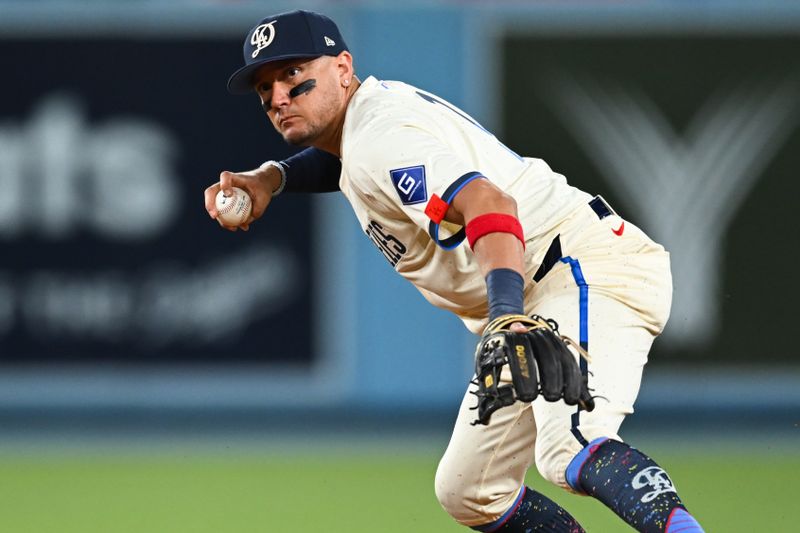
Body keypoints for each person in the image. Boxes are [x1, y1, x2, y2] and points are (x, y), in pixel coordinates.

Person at [204, 9, 704, 533]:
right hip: (537, 287)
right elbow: (343, 160)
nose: (279, 95)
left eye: (292, 74)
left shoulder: (381, 134)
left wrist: (507, 318)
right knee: (470, 491)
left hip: (577, 268)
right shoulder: (365, 127)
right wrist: (271, 177)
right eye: (265, 86)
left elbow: (490, 203)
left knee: (568, 445)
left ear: (343, 67)